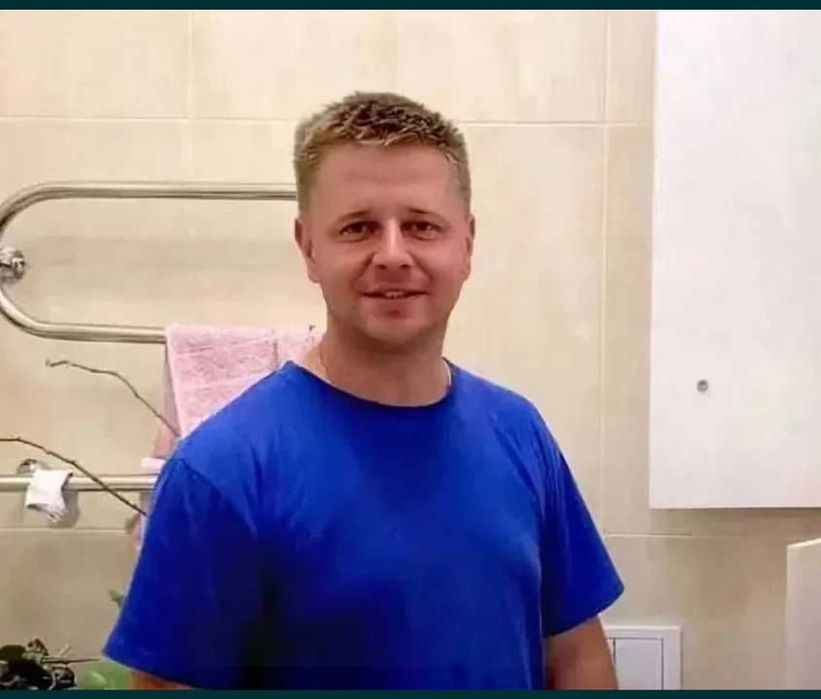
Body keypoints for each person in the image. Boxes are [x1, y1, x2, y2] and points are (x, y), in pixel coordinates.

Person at [104, 92, 624, 690]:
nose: (393, 255)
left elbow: (576, 657)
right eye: (359, 228)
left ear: (467, 244)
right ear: (309, 247)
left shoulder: (519, 432)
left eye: (422, 226)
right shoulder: (221, 473)